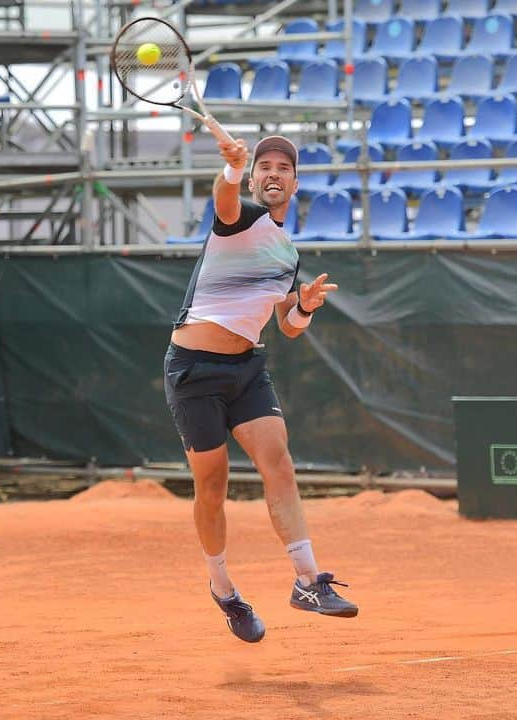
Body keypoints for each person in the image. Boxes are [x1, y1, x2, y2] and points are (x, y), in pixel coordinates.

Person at [163, 134, 358, 644]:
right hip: (194, 371)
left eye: (283, 168)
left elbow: (288, 325)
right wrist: (230, 170)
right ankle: (224, 589)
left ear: (295, 182)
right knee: (212, 488)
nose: (273, 174)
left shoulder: (288, 254)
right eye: (264, 167)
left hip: (247, 367)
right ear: (255, 181)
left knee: (279, 461)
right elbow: (223, 201)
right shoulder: (240, 216)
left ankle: (308, 580)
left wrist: (306, 307)